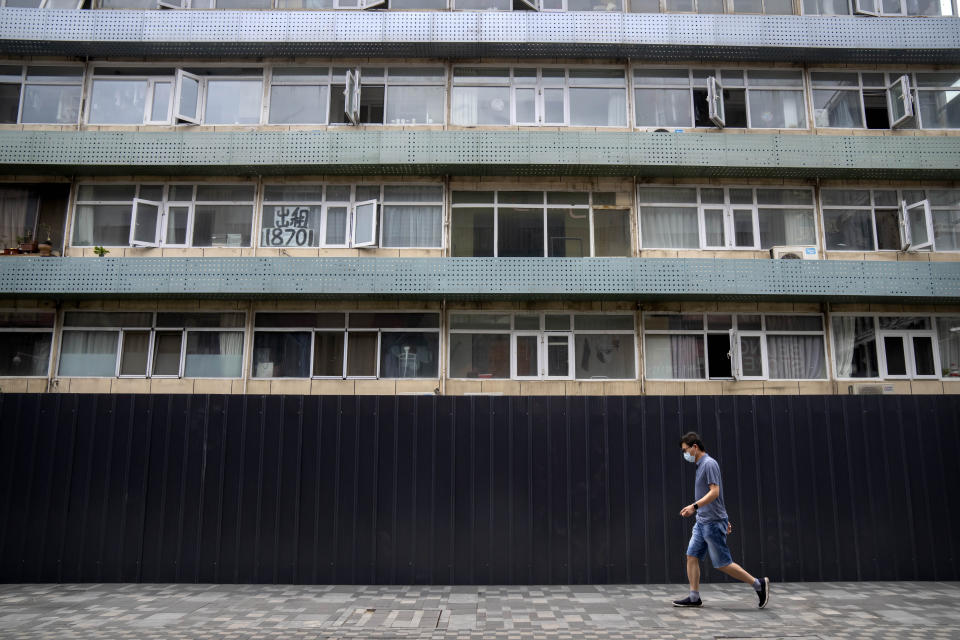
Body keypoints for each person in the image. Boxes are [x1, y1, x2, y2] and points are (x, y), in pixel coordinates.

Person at [672, 432, 769, 609]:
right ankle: (694, 597)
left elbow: (715, 492)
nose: (684, 454)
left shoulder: (709, 464)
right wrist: (722, 517)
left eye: (685, 450)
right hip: (702, 522)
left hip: (711, 523)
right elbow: (716, 497)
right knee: (691, 555)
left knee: (722, 564)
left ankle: (758, 584)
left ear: (695, 447)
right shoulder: (701, 465)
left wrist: (695, 507)